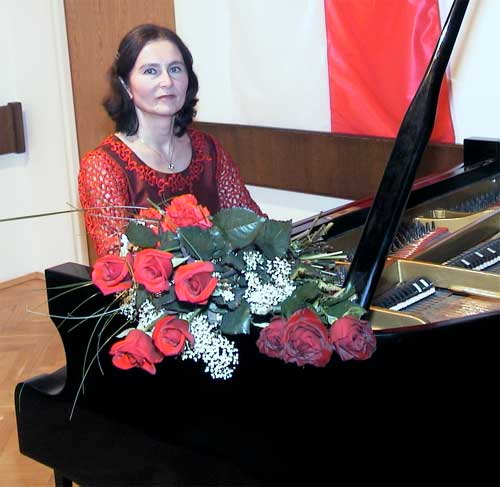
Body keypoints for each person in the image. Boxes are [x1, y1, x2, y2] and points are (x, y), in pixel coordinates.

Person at [78, 24, 262, 257]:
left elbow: (253, 226)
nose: (167, 81)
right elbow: (118, 259)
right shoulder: (103, 166)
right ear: (125, 85)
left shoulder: (208, 150)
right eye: (150, 71)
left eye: (175, 69)